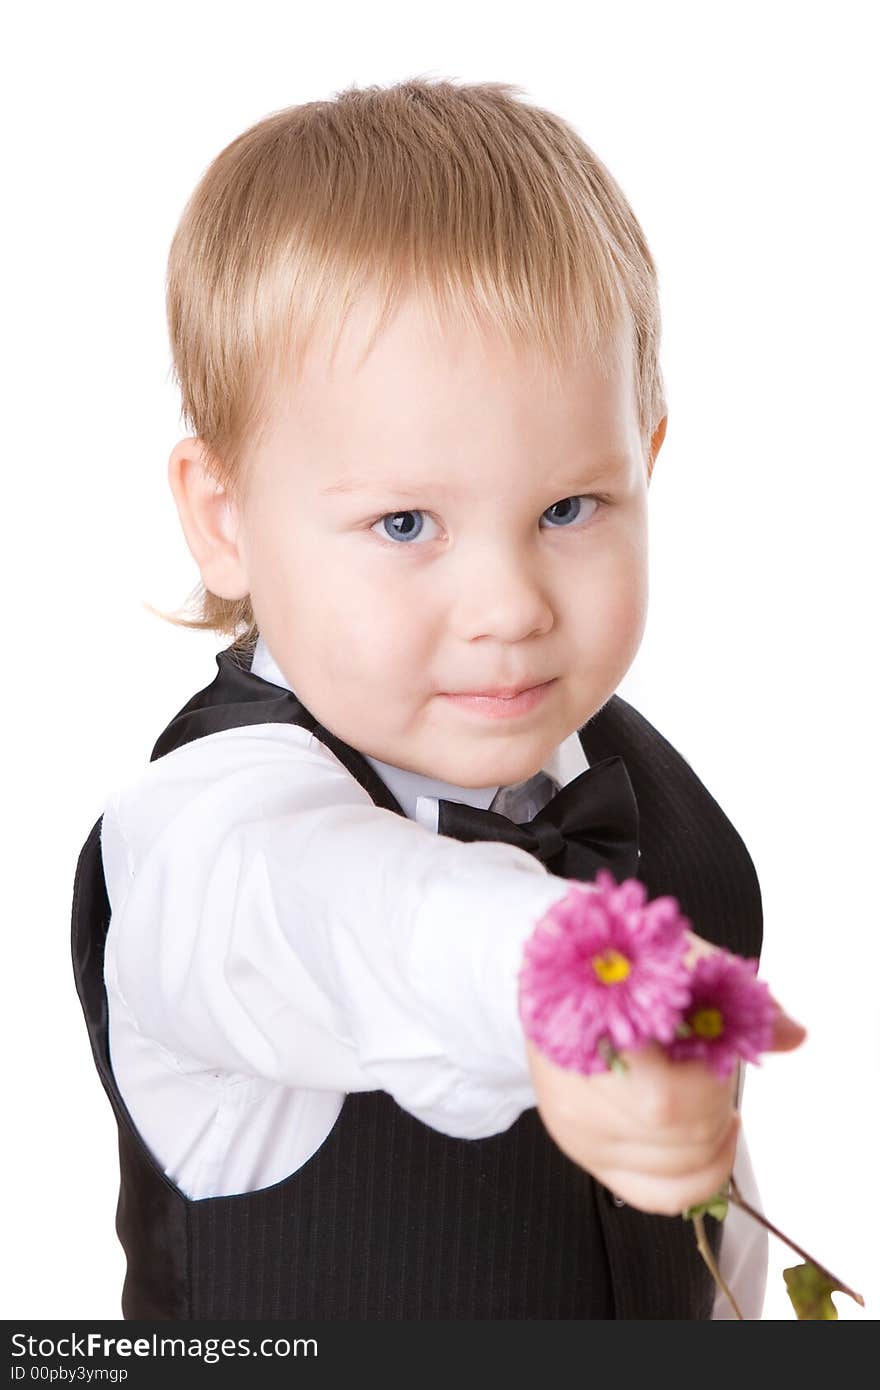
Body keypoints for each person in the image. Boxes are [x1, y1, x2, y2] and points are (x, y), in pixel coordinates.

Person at [71, 76, 805, 1321]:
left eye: (568, 508)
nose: (508, 602)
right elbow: (374, 923)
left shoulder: (640, 794)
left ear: (649, 463)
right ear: (226, 518)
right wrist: (571, 982)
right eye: (405, 522)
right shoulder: (210, 844)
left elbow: (701, 1237)